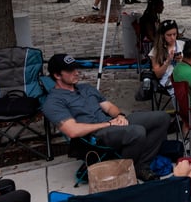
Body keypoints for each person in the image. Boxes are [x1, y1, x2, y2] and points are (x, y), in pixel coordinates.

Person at [42, 53, 169, 181]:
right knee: (137, 132)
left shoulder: (86, 88)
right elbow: (73, 131)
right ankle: (123, 172)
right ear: (57, 75)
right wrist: (108, 124)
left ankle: (141, 165)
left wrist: (119, 116)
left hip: (111, 125)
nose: (76, 72)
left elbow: (109, 107)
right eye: (70, 70)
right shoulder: (53, 102)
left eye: (76, 68)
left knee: (162, 118)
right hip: (94, 136)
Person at [149, 19, 184, 95]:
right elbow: (158, 74)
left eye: (174, 34)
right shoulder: (156, 51)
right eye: (169, 35)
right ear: (162, 36)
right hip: (168, 80)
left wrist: (182, 60)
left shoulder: (182, 45)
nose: (172, 38)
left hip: (184, 75)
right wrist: (167, 61)